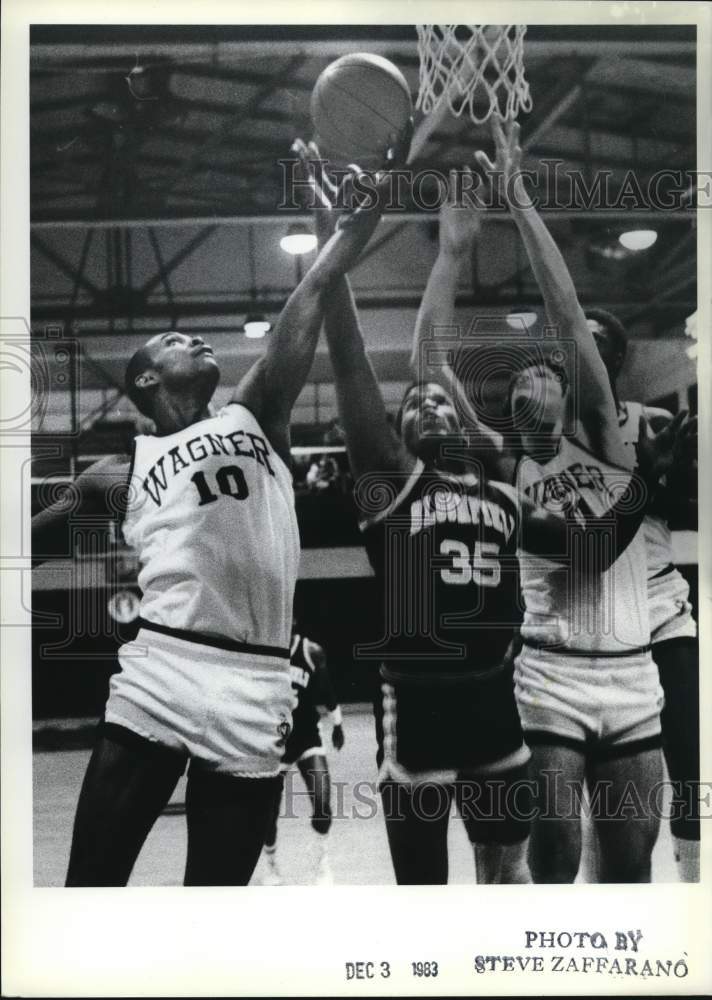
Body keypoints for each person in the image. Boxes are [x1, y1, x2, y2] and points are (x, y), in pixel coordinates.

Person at [296, 140, 676, 886]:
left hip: (574, 687)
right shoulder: (446, 472)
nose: (431, 402)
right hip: (498, 688)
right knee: (482, 885)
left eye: (551, 370)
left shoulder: (562, 456)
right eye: (420, 404)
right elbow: (399, 364)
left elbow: (588, 544)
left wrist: (643, 488)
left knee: (569, 881)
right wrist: (438, 255)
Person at [31, 147, 402, 887]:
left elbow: (316, 292)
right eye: (174, 341)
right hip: (162, 668)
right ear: (144, 378)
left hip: (258, 683)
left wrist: (352, 222)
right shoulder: (119, 469)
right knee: (90, 889)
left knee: (216, 906)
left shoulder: (255, 412)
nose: (195, 339)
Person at [476, 118, 693, 882]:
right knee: (559, 849)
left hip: (634, 671)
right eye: (536, 370)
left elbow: (568, 311)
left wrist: (521, 202)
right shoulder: (507, 462)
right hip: (552, 673)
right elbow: (587, 547)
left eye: (573, 357)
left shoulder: (608, 434)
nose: (562, 362)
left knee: (630, 870)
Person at [589, 306, 700, 881]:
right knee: (598, 786)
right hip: (592, 613)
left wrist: (671, 482)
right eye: (576, 338)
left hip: (657, 599)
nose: (586, 346)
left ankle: (692, 894)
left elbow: (692, 513)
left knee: (691, 756)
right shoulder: (549, 430)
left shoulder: (652, 420)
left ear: (618, 355)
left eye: (599, 339)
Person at [261, 625, 344, 885]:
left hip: (308, 737)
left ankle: (321, 859)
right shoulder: (263, 649)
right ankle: (272, 865)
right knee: (268, 813)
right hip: (275, 743)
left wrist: (337, 724)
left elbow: (327, 691)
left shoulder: (310, 651)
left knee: (322, 802)